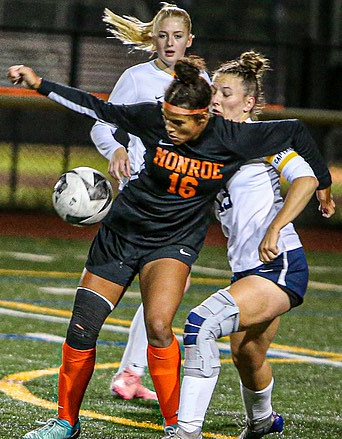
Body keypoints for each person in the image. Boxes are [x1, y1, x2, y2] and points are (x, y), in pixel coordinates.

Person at [7, 56, 332, 439]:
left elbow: (295, 132)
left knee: (162, 326)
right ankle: (66, 421)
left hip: (174, 241)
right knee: (83, 325)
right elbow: (98, 108)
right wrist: (39, 83)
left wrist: (323, 184)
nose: (169, 127)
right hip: (123, 234)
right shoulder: (154, 118)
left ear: (200, 120)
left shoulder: (233, 139)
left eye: (179, 122)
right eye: (167, 118)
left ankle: (179, 428)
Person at [137, 51, 335, 439]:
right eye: (214, 92)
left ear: (247, 104)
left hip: (278, 266)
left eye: (225, 93)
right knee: (248, 353)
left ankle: (187, 433)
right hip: (246, 270)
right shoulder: (216, 145)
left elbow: (305, 178)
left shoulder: (261, 141)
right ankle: (262, 418)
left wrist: (277, 226)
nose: (215, 99)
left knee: (200, 323)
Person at [91, 4, 207, 402]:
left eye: (177, 36)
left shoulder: (199, 80)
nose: (170, 43)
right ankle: (129, 370)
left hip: (182, 199)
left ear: (189, 40)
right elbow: (102, 124)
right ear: (153, 39)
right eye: (163, 36)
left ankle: (130, 372)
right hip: (144, 194)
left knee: (170, 285)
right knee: (162, 284)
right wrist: (115, 151)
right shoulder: (136, 78)